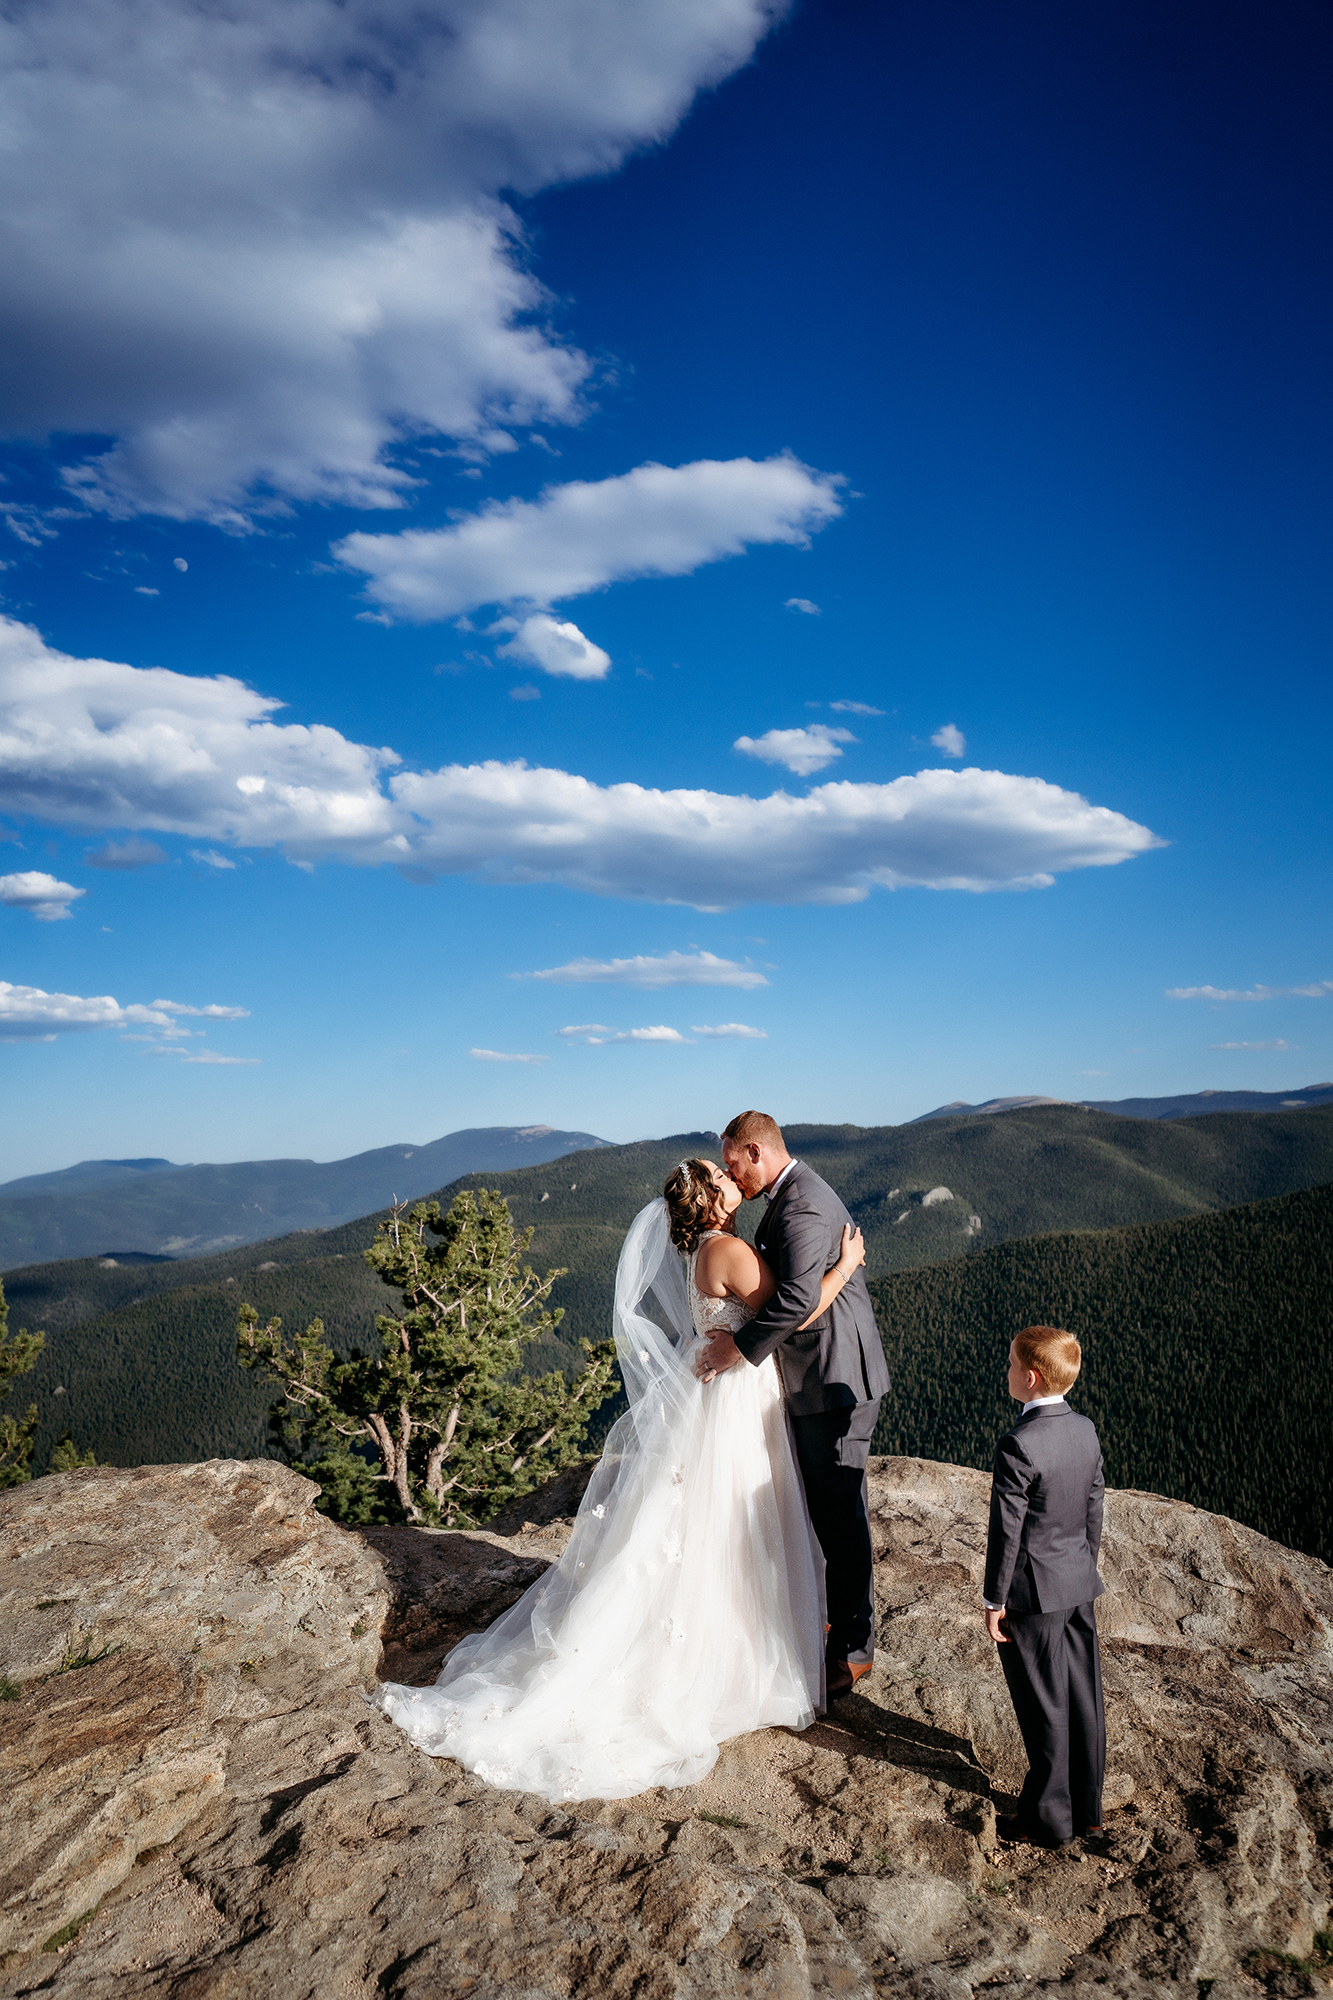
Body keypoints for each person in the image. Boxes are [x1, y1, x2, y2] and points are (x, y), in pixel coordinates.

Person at [373, 1158, 866, 1803]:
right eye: (721, 1177)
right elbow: (793, 1312)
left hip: (718, 1387)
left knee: (704, 1518)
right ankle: (730, 1652)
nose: (731, 1181)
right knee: (734, 1520)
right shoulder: (731, 1250)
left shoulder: (703, 1252)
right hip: (738, 1396)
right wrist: (844, 1266)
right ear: (712, 1200)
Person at [694, 1111, 891, 1700]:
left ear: (754, 1152)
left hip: (833, 1380)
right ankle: (831, 1623)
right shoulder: (789, 1196)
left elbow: (802, 1301)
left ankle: (854, 1651)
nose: (733, 1177)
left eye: (733, 1163)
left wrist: (738, 1350)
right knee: (824, 1506)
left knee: (840, 1512)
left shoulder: (802, 1205)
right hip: (812, 1376)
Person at [983, 1325, 1106, 1848]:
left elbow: (1007, 1530)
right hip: (1077, 1582)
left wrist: (994, 1599)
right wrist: (1082, 1565)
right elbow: (1094, 1506)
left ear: (1030, 1378)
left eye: (1011, 1364)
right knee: (1084, 1696)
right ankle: (1089, 1808)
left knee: (1043, 1705)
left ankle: (1048, 1819)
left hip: (1033, 1596)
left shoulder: (1019, 1444)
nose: (1006, 1371)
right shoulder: (1085, 1429)